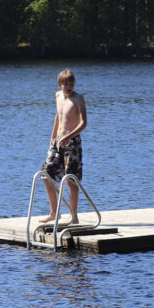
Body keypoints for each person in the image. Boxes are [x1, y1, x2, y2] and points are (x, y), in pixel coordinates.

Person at [37, 69, 87, 225]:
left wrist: (68, 136)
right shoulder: (58, 96)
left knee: (71, 180)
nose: (69, 86)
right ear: (60, 85)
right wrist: (53, 136)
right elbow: (58, 115)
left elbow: (83, 123)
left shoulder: (79, 99)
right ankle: (54, 213)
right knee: (46, 175)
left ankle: (74, 216)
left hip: (72, 143)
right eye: (66, 84)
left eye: (71, 83)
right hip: (58, 142)